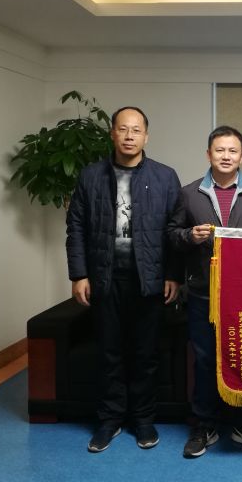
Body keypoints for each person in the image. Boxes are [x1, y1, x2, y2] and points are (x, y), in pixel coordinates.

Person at [66, 106, 183, 453]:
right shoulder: (91, 176)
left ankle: (143, 419)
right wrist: (79, 274)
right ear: (112, 133)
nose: (129, 136)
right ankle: (110, 419)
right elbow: (75, 227)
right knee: (109, 352)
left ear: (146, 136)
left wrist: (173, 274)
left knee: (145, 353)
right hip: (105, 277)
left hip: (148, 278)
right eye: (123, 129)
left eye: (136, 130)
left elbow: (175, 230)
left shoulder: (165, 177)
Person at [167, 125, 242, 458]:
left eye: (232, 151)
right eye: (220, 150)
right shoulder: (189, 194)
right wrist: (190, 236)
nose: (226, 156)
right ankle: (204, 424)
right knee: (205, 360)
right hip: (203, 293)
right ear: (208, 155)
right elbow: (171, 235)